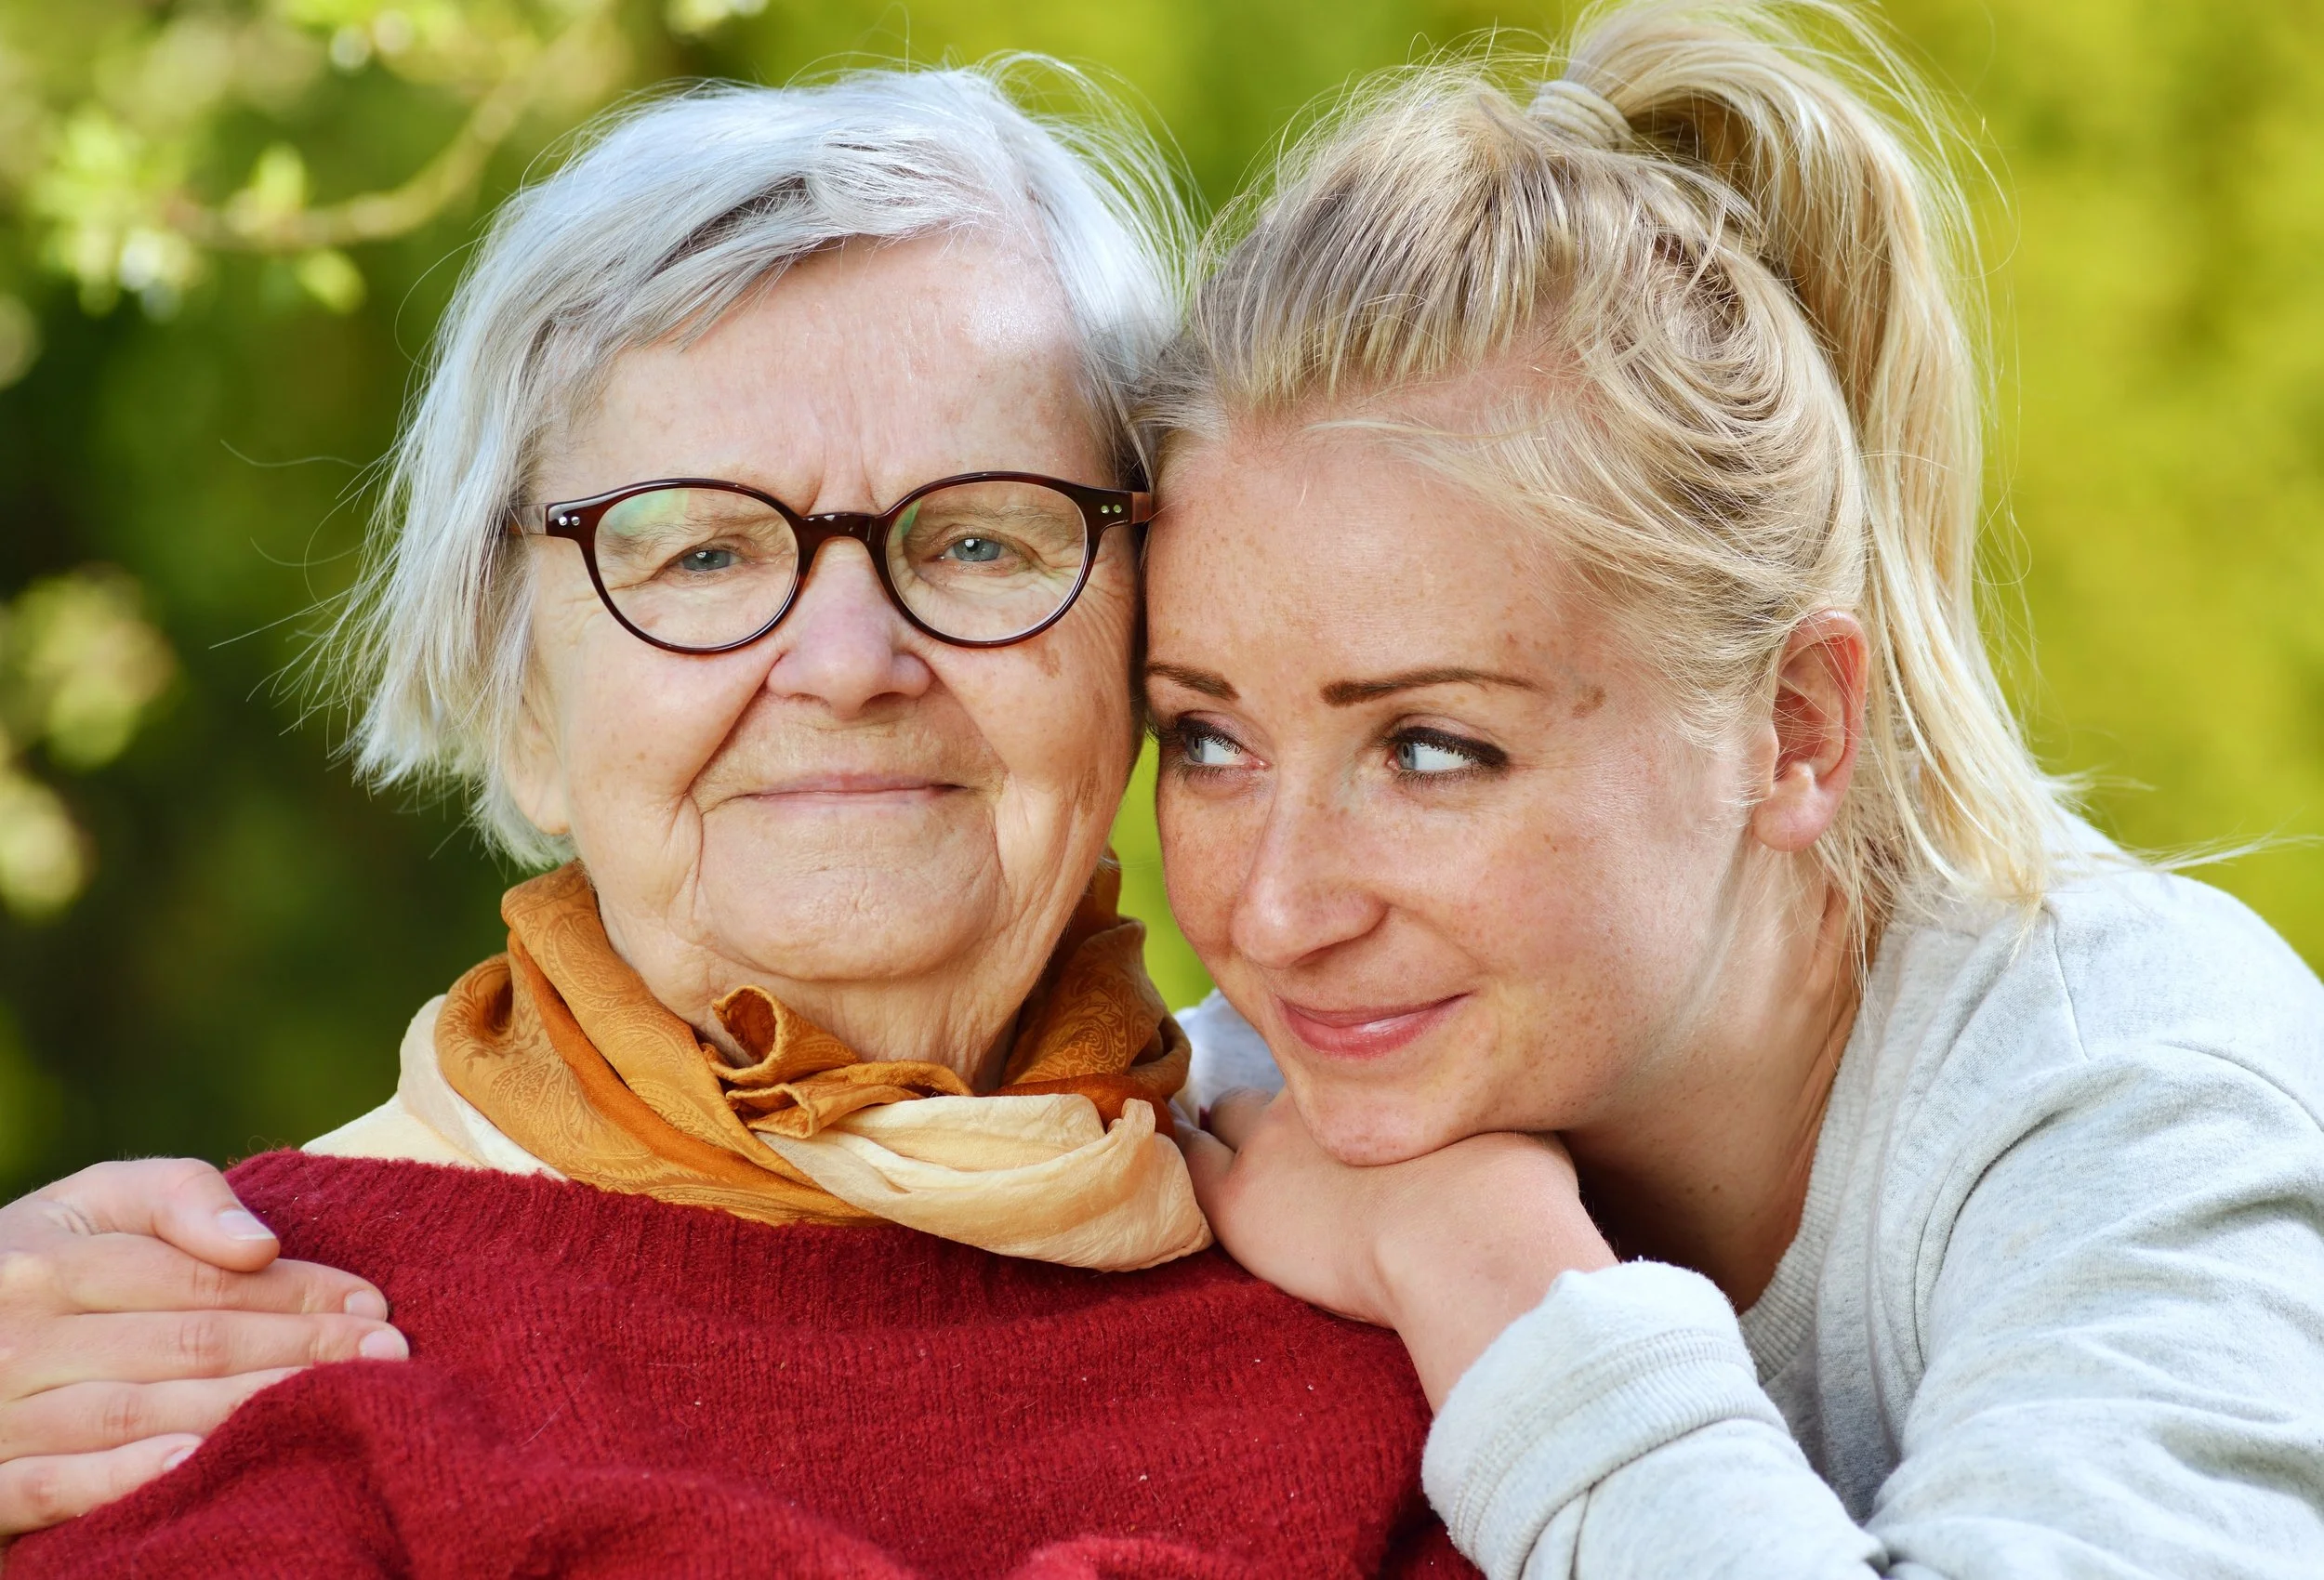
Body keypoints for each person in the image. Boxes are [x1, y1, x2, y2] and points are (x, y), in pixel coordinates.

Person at [0, 65, 1463, 1576]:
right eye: (700, 552)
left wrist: (1529, 1315)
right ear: (519, 698)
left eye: (976, 538)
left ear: (1145, 652)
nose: (848, 667)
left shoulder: (1427, 1289)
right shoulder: (165, 1372)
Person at [1141, 2, 2324, 1574]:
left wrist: (1497, 1286)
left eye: (1433, 749)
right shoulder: (1232, 1124)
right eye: (1208, 741)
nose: (1276, 917)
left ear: (1795, 728)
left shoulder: (2143, 1103)